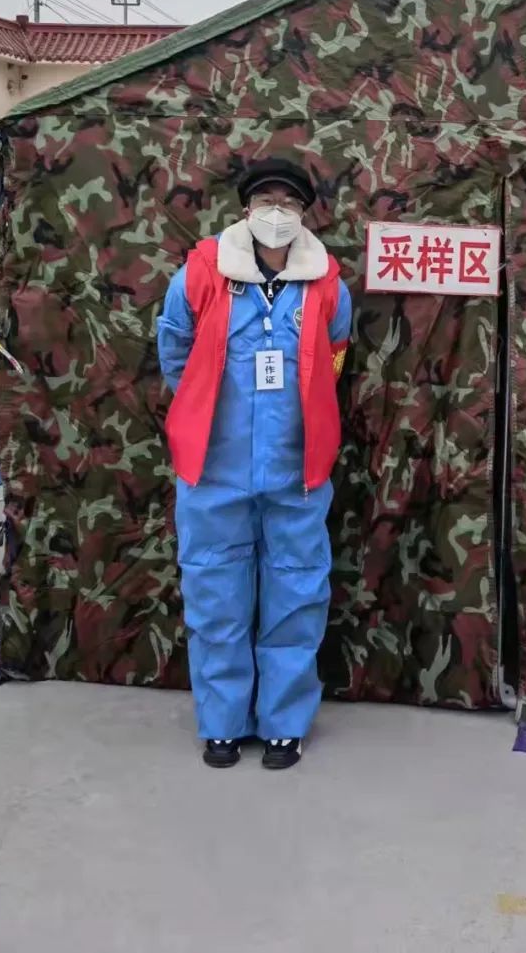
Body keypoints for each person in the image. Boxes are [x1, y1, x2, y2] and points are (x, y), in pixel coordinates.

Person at [157, 158, 351, 770]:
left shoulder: (326, 283)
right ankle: (222, 722)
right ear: (245, 208)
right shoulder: (202, 272)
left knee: (297, 593)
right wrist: (200, 411)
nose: (276, 212)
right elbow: (173, 348)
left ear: (304, 213)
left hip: (297, 470)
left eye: (288, 202)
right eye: (266, 200)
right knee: (215, 594)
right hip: (213, 468)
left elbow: (336, 358)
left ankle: (284, 723)